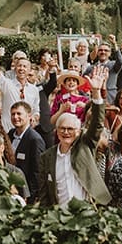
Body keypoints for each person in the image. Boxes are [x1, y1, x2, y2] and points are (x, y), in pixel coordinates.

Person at [35, 65, 111, 206]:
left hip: (87, 210)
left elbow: (97, 123)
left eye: (70, 129)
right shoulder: (46, 157)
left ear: (78, 131)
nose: (66, 132)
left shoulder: (84, 146)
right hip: (61, 215)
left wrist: (96, 92)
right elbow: (44, 193)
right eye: (62, 129)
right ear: (56, 131)